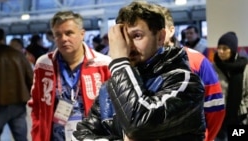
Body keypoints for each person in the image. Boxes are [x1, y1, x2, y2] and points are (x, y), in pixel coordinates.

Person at [73, 1, 206, 141]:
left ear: (160, 37)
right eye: (123, 38)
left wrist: (119, 62)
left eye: (137, 36)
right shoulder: (111, 87)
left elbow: (139, 125)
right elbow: (80, 136)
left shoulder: (186, 82)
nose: (128, 45)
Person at [27, 11, 112, 141]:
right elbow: (36, 105)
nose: (63, 39)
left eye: (69, 33)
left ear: (82, 34)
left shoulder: (103, 63)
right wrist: (37, 135)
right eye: (58, 35)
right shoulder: (44, 64)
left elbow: (114, 108)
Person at [159, 6, 225, 141]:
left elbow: (215, 107)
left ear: (171, 31)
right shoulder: (138, 62)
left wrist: (205, 138)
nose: (155, 34)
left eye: (160, 28)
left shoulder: (196, 59)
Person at [0, 28, 33, 141]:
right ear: (3, 38)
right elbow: (31, 78)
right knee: (21, 137)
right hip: (18, 104)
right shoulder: (17, 55)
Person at [213, 31, 248, 141]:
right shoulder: (213, 68)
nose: (220, 51)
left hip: (240, 118)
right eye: (219, 48)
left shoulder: (244, 67)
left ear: (232, 50)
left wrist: (244, 109)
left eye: (225, 48)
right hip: (218, 118)